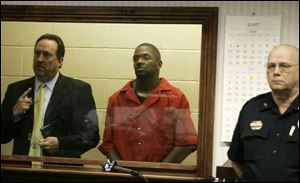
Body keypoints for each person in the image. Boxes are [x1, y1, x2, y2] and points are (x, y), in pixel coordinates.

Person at [1, 33, 100, 158]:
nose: (39, 59)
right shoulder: (16, 89)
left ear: (60, 61)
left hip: (60, 170)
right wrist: (13, 114)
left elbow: (91, 136)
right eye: (37, 53)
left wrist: (60, 143)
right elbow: (3, 137)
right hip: (23, 169)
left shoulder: (78, 91)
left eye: (46, 55)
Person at [98, 43, 198, 163]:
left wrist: (157, 173)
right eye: (136, 59)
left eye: (146, 57)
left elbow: (186, 143)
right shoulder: (116, 99)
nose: (139, 61)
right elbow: (108, 144)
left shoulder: (176, 98)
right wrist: (124, 171)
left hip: (162, 177)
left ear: (158, 64)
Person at [228, 44, 299, 182]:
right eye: (271, 66)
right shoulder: (251, 109)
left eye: (284, 66)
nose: (276, 72)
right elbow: (236, 159)